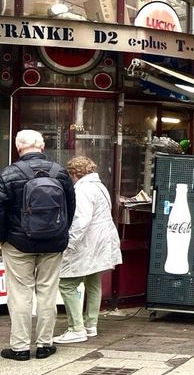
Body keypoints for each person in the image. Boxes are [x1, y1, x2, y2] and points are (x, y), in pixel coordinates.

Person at [0, 130, 76, 361]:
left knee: (20, 294)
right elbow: (70, 208)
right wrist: (61, 232)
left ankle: (20, 347)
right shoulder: (60, 172)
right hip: (53, 243)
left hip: (18, 243)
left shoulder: (8, 173)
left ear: (17, 146)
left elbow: (0, 210)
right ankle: (44, 344)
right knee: (47, 292)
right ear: (42, 146)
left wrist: (2, 238)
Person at [53, 157, 122, 344]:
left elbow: (80, 222)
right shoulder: (100, 186)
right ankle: (90, 324)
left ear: (74, 173)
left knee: (67, 284)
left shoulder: (83, 190)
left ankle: (76, 329)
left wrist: (68, 245)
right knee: (93, 282)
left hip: (87, 243)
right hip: (101, 242)